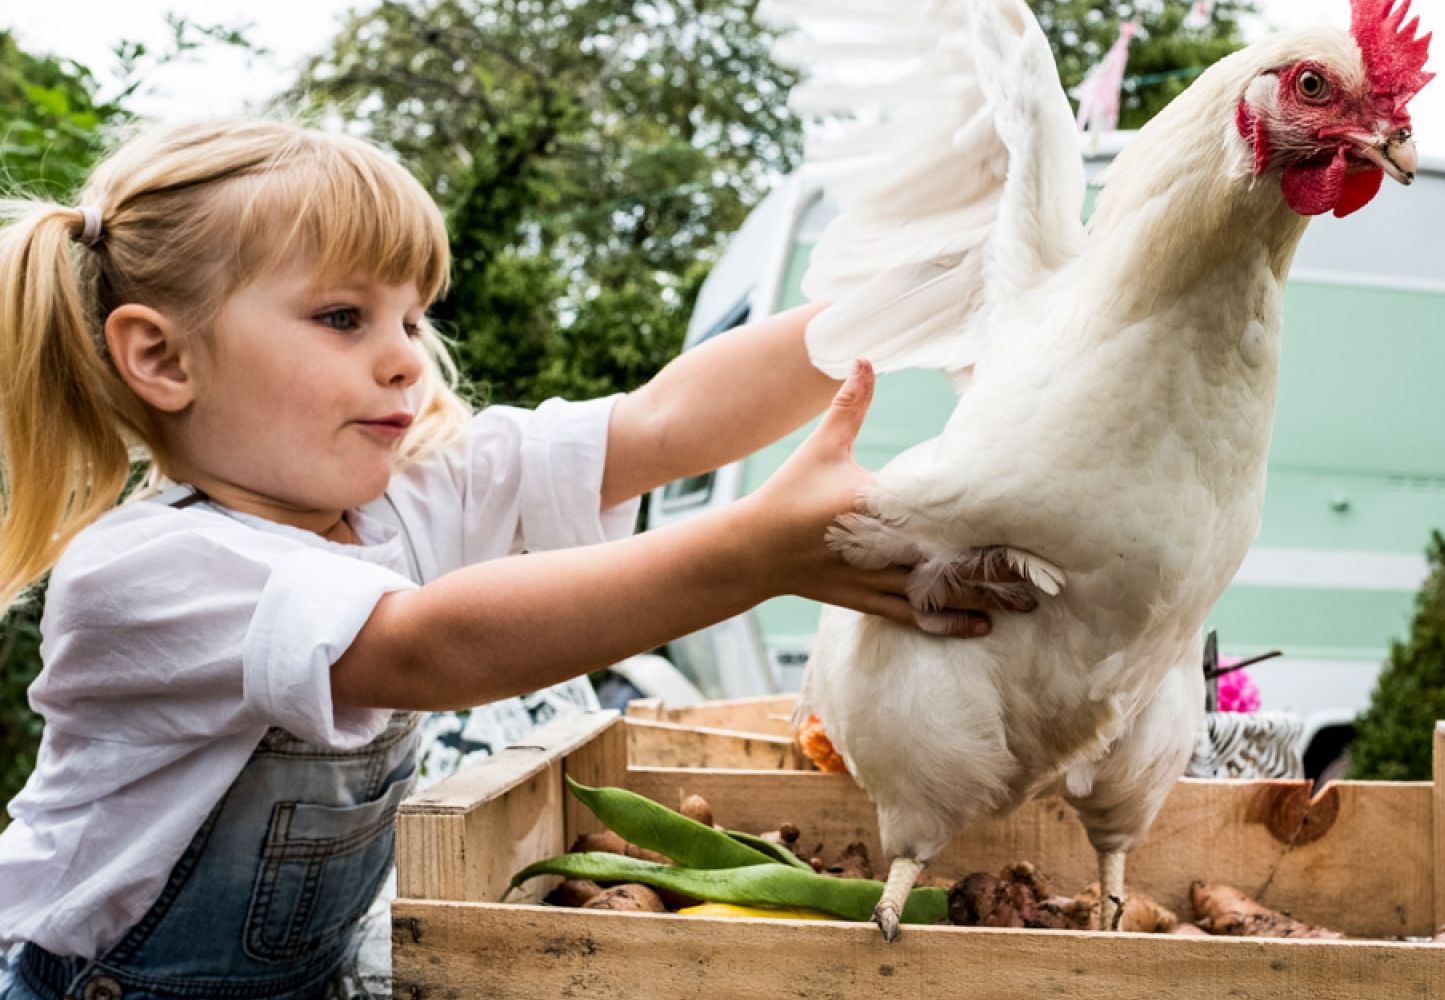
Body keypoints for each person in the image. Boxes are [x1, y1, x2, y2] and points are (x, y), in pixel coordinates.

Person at [0, 120, 1034, 999]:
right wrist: (750, 553)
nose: (406, 353)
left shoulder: (403, 496)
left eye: (411, 315)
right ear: (162, 357)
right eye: (342, 317)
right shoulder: (149, 570)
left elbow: (660, 422)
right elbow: (429, 647)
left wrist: (913, 302)